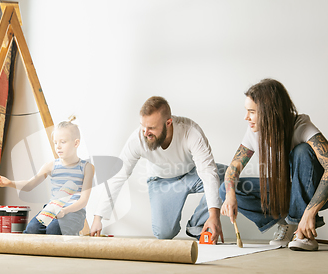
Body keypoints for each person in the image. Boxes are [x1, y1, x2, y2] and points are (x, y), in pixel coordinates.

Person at [220, 79, 328, 251]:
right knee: (226, 189)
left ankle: (303, 230)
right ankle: (288, 223)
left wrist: (309, 213)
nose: (246, 117)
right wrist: (230, 196)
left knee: (302, 151)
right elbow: (233, 169)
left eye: (251, 112)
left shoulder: (300, 125)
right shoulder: (254, 131)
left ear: (269, 112)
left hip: (325, 190)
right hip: (287, 191)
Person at [90, 96, 227, 242]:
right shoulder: (138, 139)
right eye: (143, 126)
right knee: (164, 234)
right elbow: (118, 176)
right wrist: (98, 217)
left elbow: (207, 172)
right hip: (162, 181)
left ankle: (197, 226)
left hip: (192, 175)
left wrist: (214, 215)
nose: (145, 133)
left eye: (152, 128)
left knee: (229, 176)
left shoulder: (190, 132)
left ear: (168, 123)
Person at [0, 117, 95, 235]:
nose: (58, 146)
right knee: (32, 229)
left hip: (74, 212)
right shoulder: (50, 166)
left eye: (63, 142)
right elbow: (29, 185)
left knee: (54, 229)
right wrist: (9, 182)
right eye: (56, 142)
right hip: (52, 209)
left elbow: (83, 201)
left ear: (76, 143)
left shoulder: (87, 167)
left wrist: (64, 211)